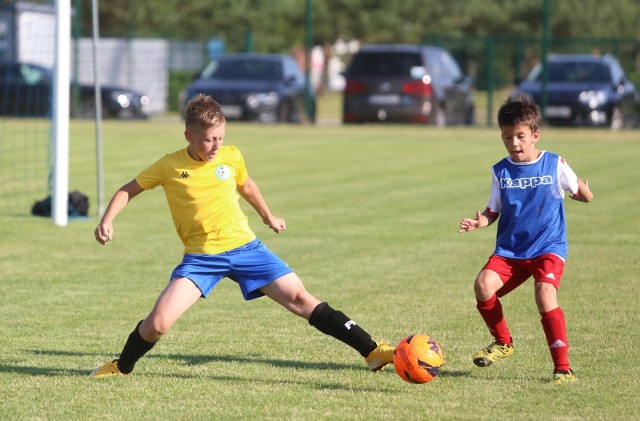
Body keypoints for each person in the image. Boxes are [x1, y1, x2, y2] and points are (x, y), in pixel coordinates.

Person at [89, 94, 394, 378]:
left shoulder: (231, 157)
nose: (216, 145)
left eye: (221, 138)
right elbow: (128, 189)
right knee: (157, 325)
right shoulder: (169, 165)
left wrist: (268, 216)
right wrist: (107, 220)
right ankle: (122, 366)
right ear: (189, 136)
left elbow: (246, 185)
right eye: (209, 139)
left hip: (246, 248)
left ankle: (371, 350)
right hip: (201, 258)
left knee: (302, 299)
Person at [458, 94, 593, 385]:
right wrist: (480, 221)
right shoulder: (501, 171)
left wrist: (581, 190)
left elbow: (584, 195)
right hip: (511, 250)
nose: (514, 143)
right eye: (507, 137)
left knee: (545, 294)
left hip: (548, 247)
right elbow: (493, 210)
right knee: (483, 286)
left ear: (535, 135)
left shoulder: (555, 164)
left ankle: (563, 369)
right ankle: (503, 342)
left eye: (520, 136)